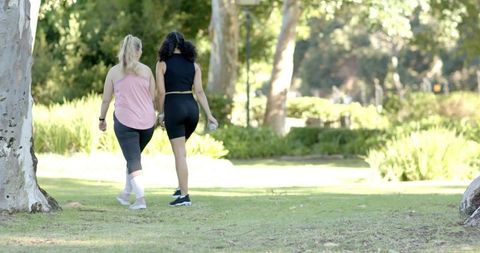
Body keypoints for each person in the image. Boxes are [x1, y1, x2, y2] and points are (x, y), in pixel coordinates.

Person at [156, 31, 218, 206]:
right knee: (181, 152)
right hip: (192, 109)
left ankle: (184, 196)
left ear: (167, 44)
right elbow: (199, 92)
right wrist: (209, 115)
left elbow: (161, 92)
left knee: (180, 155)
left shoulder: (162, 64)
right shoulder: (194, 65)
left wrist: (160, 113)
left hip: (174, 108)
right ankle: (180, 187)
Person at [99, 34, 156, 210]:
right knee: (133, 158)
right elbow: (153, 97)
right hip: (148, 124)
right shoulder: (146, 71)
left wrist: (102, 119)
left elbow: (106, 99)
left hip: (125, 122)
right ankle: (125, 194)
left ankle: (140, 200)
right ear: (138, 51)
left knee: (133, 160)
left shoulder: (114, 72)